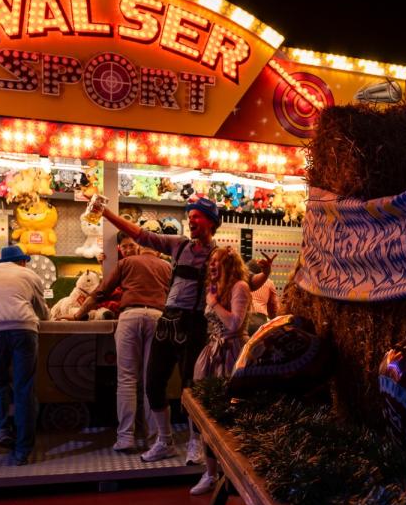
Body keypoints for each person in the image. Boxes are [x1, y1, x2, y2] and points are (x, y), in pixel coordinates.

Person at [90, 196, 273, 464]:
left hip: (194, 326)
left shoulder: (219, 255)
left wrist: (265, 274)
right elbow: (141, 235)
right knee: (153, 383)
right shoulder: (179, 245)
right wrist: (106, 213)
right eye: (190, 216)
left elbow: (244, 282)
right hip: (167, 321)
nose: (191, 220)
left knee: (192, 389)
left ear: (211, 222)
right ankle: (164, 441)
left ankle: (195, 443)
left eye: (196, 216)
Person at [71, 232, 170, 452]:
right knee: (152, 382)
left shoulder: (126, 263)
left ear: (140, 246)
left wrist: (78, 314)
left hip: (130, 316)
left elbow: (101, 292)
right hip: (158, 318)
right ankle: (156, 439)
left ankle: (126, 438)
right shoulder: (167, 267)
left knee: (126, 380)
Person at [188, 246, 251, 494]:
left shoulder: (240, 287)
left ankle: (234, 473)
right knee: (207, 414)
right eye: (211, 261)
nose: (212, 265)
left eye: (217, 261)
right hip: (213, 352)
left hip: (232, 353)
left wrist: (214, 304)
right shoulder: (214, 288)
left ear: (229, 265)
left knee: (230, 414)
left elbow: (234, 324)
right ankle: (211, 473)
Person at [0, 244, 49, 466]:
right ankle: (22, 451)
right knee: (24, 388)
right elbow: (42, 312)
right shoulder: (30, 275)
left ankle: (1, 430)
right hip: (23, 329)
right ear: (22, 261)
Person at [246, 258, 280, 335]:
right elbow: (273, 307)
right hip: (260, 321)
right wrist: (273, 320)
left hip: (242, 319)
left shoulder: (243, 280)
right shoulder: (269, 283)